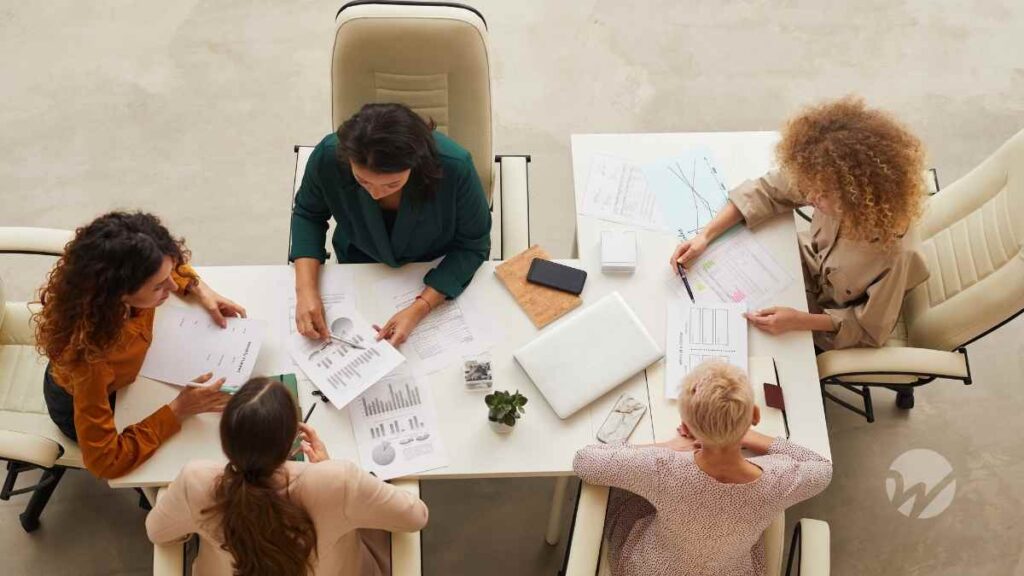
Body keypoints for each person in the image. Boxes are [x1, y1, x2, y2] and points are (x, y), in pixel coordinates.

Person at [670, 97, 929, 349]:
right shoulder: (825, 175)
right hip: (798, 270)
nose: (812, 198)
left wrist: (798, 321)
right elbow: (766, 191)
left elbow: (868, 328)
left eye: (824, 195)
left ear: (860, 195)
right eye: (810, 188)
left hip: (825, 317)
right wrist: (704, 237)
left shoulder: (894, 253)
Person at [34, 211, 245, 479]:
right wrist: (179, 409)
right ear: (119, 294)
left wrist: (200, 289)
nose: (171, 286)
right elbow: (105, 461)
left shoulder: (125, 279)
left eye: (170, 277)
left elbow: (168, 264)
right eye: (159, 287)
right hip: (91, 403)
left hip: (133, 376)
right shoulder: (91, 360)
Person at [146, 377, 429, 576]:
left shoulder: (196, 480)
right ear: (294, 440)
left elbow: (158, 532)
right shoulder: (337, 481)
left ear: (226, 441)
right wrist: (328, 469)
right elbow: (415, 517)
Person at [573, 360, 832, 576]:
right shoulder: (779, 479)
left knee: (624, 493)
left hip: (652, 568)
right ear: (754, 415)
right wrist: (745, 434)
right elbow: (822, 468)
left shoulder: (662, 466)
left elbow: (585, 461)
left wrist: (667, 446)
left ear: (686, 426)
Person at [290, 102, 491, 346]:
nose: (376, 195)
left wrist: (421, 307)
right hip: (360, 260)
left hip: (433, 265)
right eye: (363, 181)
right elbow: (309, 214)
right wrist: (306, 292)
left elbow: (474, 245)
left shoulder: (455, 166)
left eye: (391, 185)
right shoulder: (328, 156)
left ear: (415, 164)